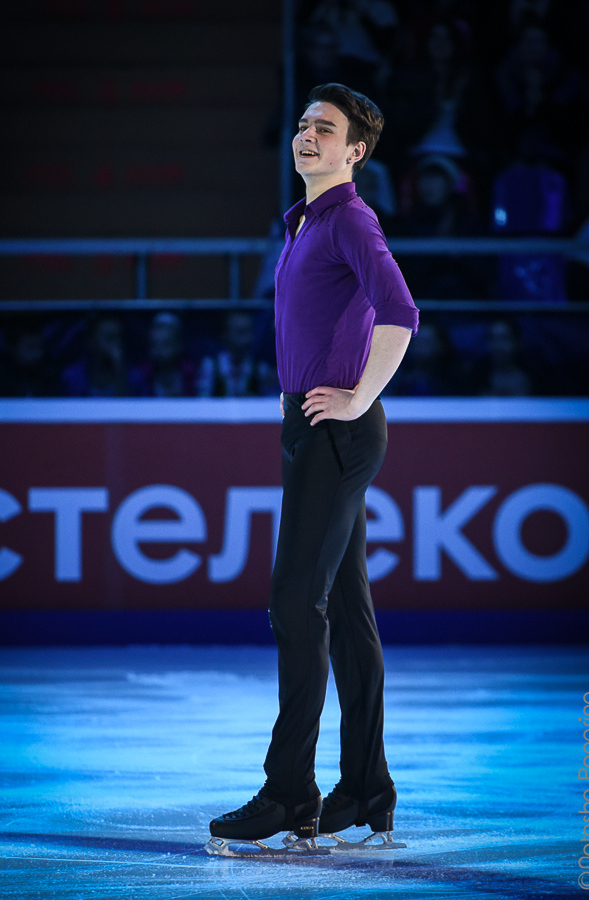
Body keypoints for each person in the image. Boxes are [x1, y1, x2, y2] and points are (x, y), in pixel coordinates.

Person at [208, 83, 418, 849]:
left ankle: (289, 791)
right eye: (302, 124)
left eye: (324, 129)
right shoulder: (303, 221)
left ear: (354, 151)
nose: (307, 135)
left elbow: (400, 312)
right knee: (347, 614)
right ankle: (364, 787)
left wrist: (359, 396)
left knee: (295, 602)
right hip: (312, 424)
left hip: (336, 430)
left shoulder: (349, 219)